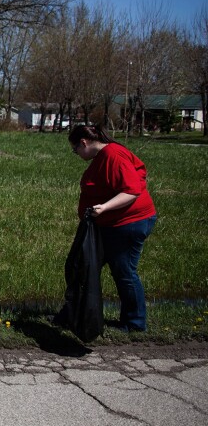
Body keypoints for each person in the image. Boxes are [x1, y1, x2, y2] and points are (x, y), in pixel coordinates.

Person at [66, 124, 157, 332]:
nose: (77, 154)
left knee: (124, 271)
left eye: (75, 149)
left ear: (84, 142)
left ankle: (134, 323)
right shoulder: (103, 156)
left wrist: (105, 207)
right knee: (86, 266)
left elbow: (131, 191)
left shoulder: (114, 155)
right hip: (109, 224)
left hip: (130, 223)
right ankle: (74, 314)